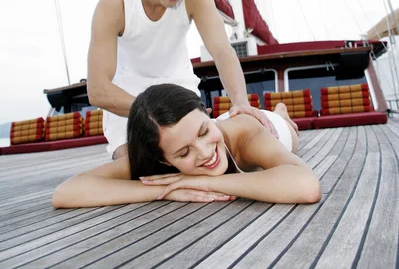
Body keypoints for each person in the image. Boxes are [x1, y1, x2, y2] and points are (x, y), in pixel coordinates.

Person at [87, 0, 276, 160]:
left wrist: (240, 101)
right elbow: (97, 90)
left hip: (180, 95)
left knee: (217, 158)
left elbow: (221, 51)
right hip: (129, 101)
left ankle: (281, 115)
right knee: (141, 164)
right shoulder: (116, 3)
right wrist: (157, 113)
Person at [53, 84, 321, 207]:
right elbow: (66, 192)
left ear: (206, 113)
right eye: (183, 153)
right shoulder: (164, 147)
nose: (204, 153)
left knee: (289, 129)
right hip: (213, 125)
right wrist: (169, 190)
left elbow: (306, 186)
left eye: (203, 133)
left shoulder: (247, 134)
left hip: (270, 128)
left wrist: (200, 182)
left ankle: (282, 111)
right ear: (165, 161)